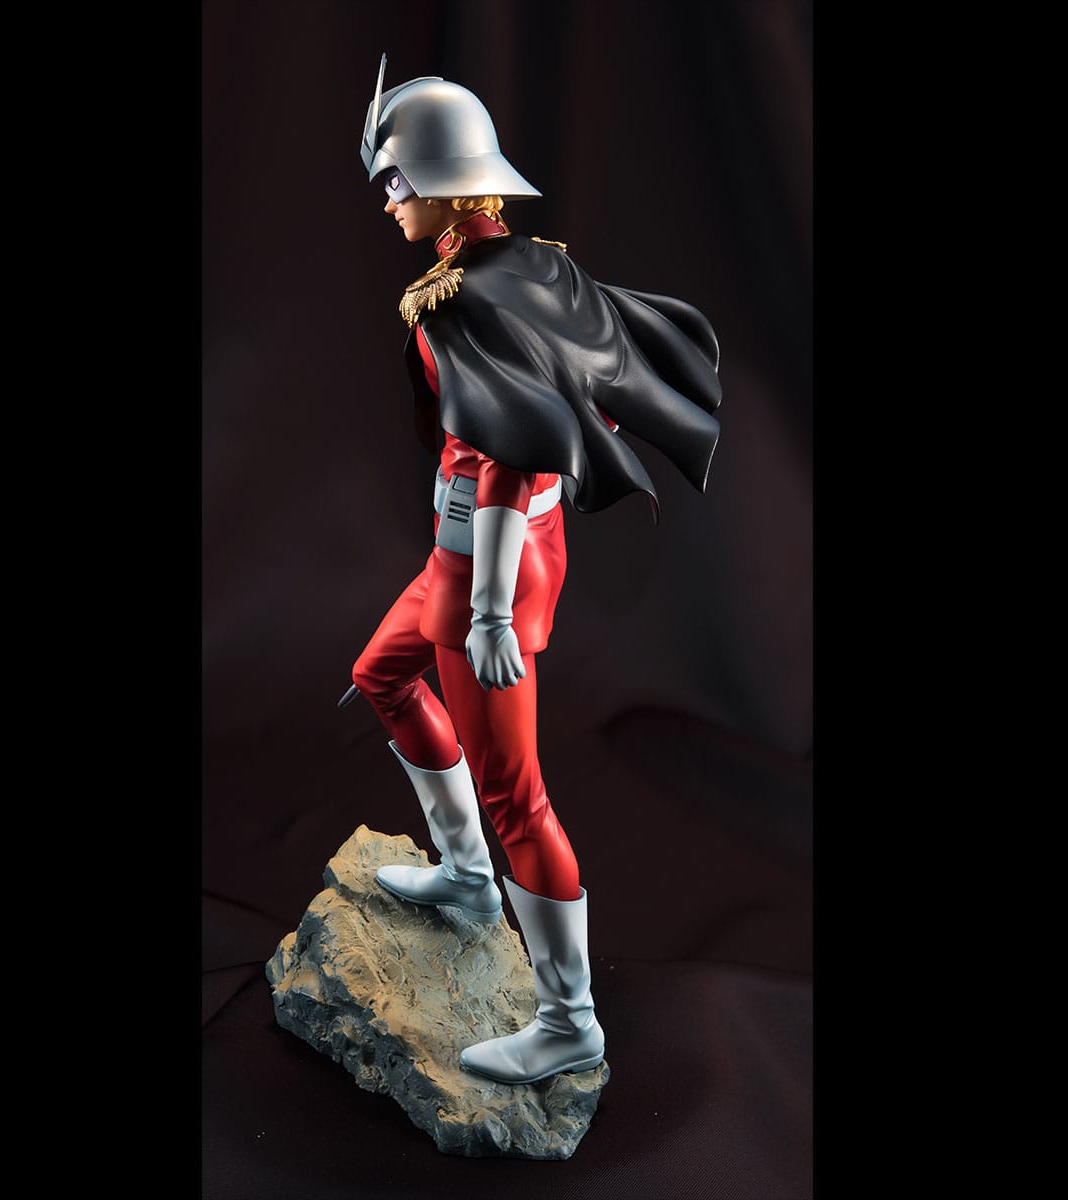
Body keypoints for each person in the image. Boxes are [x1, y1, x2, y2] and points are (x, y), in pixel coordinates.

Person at [348, 56, 722, 1086]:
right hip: (469, 551)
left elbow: (510, 456)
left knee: (518, 797)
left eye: (397, 180)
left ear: (446, 182)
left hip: (489, 566)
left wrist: (487, 615)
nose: (388, 200)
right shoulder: (530, 267)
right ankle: (468, 876)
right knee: (381, 673)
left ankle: (569, 1019)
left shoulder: (469, 299)